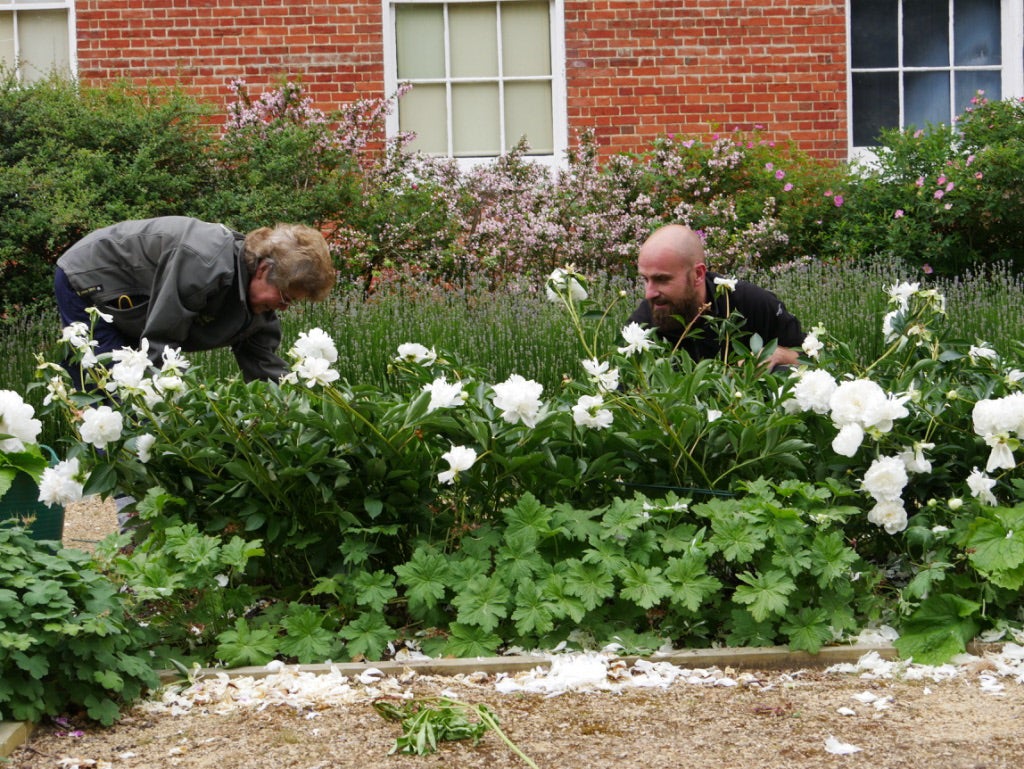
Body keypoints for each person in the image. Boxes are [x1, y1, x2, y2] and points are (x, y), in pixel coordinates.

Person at [54, 215, 336, 383]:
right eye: (285, 297)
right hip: (93, 280)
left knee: (134, 389)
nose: (283, 307)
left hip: (138, 303)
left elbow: (264, 366)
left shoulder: (257, 306)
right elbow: (160, 345)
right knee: (111, 393)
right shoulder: (204, 265)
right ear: (263, 269)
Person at [628, 223, 804, 370]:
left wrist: (781, 355)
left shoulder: (748, 302)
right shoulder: (641, 328)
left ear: (698, 274)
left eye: (662, 279)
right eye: (645, 279)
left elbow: (814, 358)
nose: (649, 293)